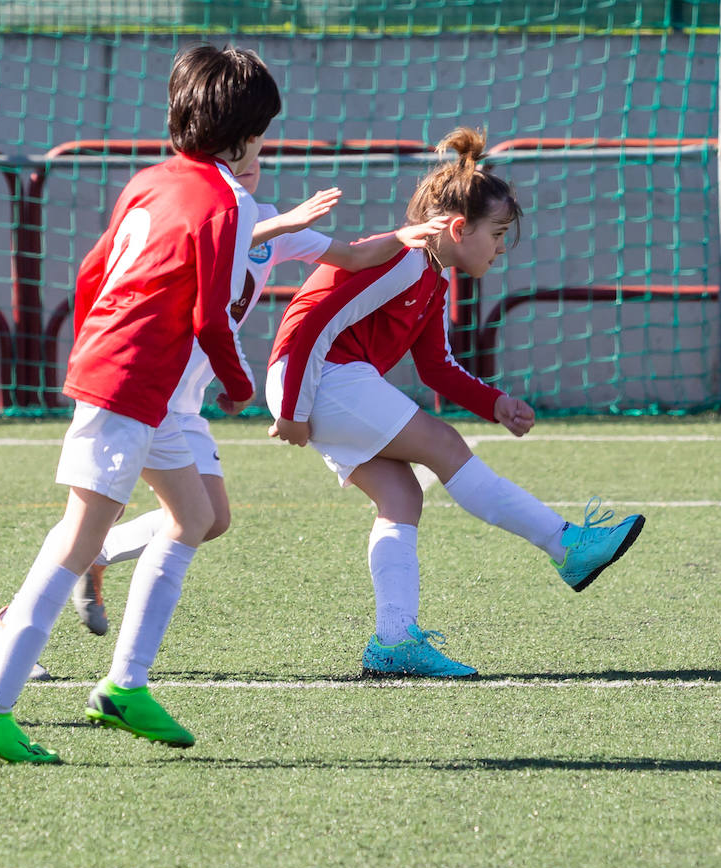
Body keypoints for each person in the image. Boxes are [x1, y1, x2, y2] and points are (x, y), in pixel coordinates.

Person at [0, 160, 450, 669]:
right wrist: (283, 224)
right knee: (88, 521)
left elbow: (353, 257)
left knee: (209, 517)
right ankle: (21, 635)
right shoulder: (206, 209)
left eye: (255, 154)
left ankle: (102, 581)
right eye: (237, 156)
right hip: (138, 386)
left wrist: (403, 237)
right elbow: (218, 238)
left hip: (180, 402)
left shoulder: (268, 221)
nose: (248, 167)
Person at [0, 44, 282, 763]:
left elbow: (92, 269)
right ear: (246, 134)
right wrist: (237, 383)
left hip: (140, 382)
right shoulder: (229, 202)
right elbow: (210, 317)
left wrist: (102, 342)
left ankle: (125, 686)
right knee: (76, 539)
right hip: (134, 383)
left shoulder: (153, 178)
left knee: (195, 516)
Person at [266, 126, 646, 678]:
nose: (500, 248)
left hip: (323, 381)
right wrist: (294, 410)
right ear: (459, 228)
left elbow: (435, 367)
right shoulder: (400, 257)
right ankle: (568, 546)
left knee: (400, 497)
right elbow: (312, 325)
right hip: (316, 375)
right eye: (496, 233)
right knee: (444, 445)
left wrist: (494, 404)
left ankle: (394, 643)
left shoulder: (433, 279)